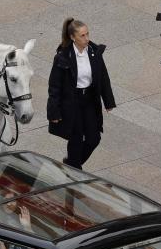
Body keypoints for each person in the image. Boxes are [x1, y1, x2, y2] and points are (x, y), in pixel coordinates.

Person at [47, 18, 116, 170]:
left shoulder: (94, 52)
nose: (87, 39)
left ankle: (71, 164)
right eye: (82, 36)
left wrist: (108, 102)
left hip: (89, 99)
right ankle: (75, 169)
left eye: (87, 34)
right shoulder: (63, 57)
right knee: (76, 138)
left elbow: (103, 77)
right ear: (73, 37)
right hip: (72, 102)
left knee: (94, 138)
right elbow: (54, 86)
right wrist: (54, 111)